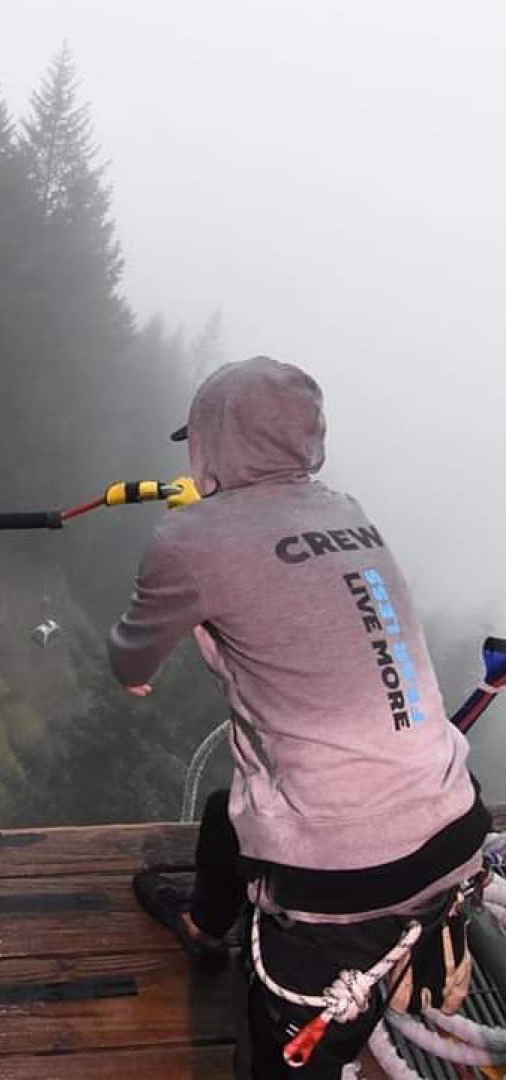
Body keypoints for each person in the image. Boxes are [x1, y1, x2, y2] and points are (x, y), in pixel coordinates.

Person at [107, 356, 490, 1078]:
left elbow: (130, 662)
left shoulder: (189, 541)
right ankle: (203, 922)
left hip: (343, 866)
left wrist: (188, 544)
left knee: (280, 1061)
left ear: (214, 444)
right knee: (231, 810)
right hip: (454, 820)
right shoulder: (344, 510)